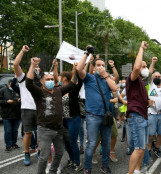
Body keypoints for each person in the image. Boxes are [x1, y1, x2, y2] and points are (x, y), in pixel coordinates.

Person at [26, 57, 77, 174]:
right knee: (43, 157)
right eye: (47, 79)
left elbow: (72, 83)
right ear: (42, 82)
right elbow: (28, 83)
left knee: (59, 153)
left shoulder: (58, 90)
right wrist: (33, 65)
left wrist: (74, 69)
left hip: (58, 129)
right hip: (44, 129)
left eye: (51, 79)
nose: (49, 81)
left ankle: (53, 171)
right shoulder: (39, 92)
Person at [76, 46, 117, 174]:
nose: (100, 67)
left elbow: (115, 88)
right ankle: (88, 168)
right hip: (93, 116)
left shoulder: (107, 78)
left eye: (103, 65)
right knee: (92, 143)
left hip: (106, 116)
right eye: (98, 65)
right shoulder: (89, 78)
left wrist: (105, 75)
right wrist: (87, 54)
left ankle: (104, 165)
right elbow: (79, 69)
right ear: (93, 67)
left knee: (106, 143)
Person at [126, 41, 152, 174]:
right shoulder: (133, 78)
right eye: (143, 66)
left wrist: (148, 101)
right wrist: (141, 48)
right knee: (139, 148)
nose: (145, 68)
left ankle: (137, 170)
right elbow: (136, 68)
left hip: (142, 116)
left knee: (143, 148)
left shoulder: (141, 81)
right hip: (136, 116)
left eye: (146, 66)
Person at [13, 45, 40, 166]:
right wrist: (23, 51)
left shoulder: (41, 81)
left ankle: (40, 150)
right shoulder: (23, 78)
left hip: (39, 109)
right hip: (27, 109)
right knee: (28, 133)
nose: (36, 68)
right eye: (34, 66)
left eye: (37, 67)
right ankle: (26, 153)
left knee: (40, 132)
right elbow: (15, 64)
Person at [59, 62, 84, 172]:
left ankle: (78, 163)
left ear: (64, 78)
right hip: (64, 120)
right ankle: (71, 159)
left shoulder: (73, 89)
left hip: (74, 118)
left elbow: (79, 80)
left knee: (73, 141)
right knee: (66, 142)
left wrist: (75, 69)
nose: (59, 78)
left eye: (60, 76)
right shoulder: (60, 89)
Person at [147, 71, 161, 158]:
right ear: (152, 78)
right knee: (151, 134)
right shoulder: (151, 86)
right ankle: (148, 149)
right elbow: (148, 73)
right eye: (155, 76)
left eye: (159, 76)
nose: (157, 78)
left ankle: (157, 148)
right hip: (151, 114)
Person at [0, 79, 21, 152]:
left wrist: (20, 100)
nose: (14, 85)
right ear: (9, 84)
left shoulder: (17, 90)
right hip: (7, 115)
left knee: (15, 130)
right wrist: (6, 102)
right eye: (13, 84)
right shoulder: (3, 90)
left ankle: (14, 143)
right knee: (8, 130)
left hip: (17, 114)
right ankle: (8, 145)